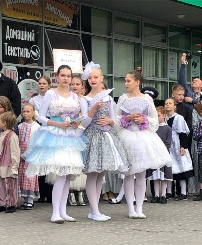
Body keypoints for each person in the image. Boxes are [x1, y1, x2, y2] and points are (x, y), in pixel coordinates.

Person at [23, 65, 86, 224]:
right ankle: (55, 212)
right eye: (63, 75)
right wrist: (58, 125)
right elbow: (41, 117)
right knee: (60, 175)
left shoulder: (74, 96)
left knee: (67, 177)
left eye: (69, 76)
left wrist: (73, 124)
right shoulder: (51, 93)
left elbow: (77, 117)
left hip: (70, 136)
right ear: (57, 77)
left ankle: (63, 211)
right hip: (55, 135)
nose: (66, 78)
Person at [116, 67, 171, 219]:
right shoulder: (123, 99)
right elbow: (116, 120)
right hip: (127, 136)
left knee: (140, 175)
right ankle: (130, 208)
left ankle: (139, 207)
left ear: (137, 82)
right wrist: (127, 118)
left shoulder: (147, 100)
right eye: (125, 81)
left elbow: (154, 120)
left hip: (142, 137)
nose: (126, 83)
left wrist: (143, 120)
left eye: (128, 81)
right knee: (128, 174)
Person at [80, 62, 130, 221]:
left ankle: (95, 210)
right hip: (92, 137)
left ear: (101, 79)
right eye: (90, 77)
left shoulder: (107, 98)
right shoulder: (85, 99)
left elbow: (114, 118)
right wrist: (93, 108)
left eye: (96, 77)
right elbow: (84, 122)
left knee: (100, 174)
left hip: (106, 136)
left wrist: (110, 120)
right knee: (92, 174)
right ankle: (93, 210)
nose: (93, 80)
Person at [164, 98, 193, 201]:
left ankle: (183, 192)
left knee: (181, 168)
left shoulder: (179, 118)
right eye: (166, 103)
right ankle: (169, 192)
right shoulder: (164, 118)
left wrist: (183, 146)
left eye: (170, 103)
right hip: (168, 145)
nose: (168, 105)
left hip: (177, 144)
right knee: (169, 168)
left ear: (174, 106)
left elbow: (183, 133)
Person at [29, 76, 52, 203]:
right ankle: (41, 193)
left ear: (49, 85)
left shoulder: (52, 97)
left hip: (51, 129)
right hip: (39, 130)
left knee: (50, 161)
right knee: (40, 161)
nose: (41, 85)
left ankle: (50, 193)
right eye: (40, 83)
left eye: (44, 83)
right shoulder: (34, 100)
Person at [68, 75, 87, 206]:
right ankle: (69, 192)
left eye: (77, 84)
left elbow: (86, 118)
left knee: (81, 162)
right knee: (70, 161)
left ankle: (80, 192)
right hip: (69, 133)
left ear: (82, 87)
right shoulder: (68, 99)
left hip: (82, 133)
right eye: (72, 84)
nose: (74, 86)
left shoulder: (84, 100)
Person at [148, 106, 172, 204]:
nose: (157, 117)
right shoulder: (153, 128)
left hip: (164, 155)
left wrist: (162, 151)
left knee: (164, 176)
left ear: (164, 115)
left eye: (158, 115)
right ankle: (156, 195)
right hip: (154, 155)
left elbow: (168, 143)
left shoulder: (167, 128)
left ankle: (163, 195)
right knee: (156, 176)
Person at [18, 104, 40, 210]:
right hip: (21, 156)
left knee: (30, 176)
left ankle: (30, 199)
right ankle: (25, 199)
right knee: (22, 176)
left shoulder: (37, 127)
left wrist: (27, 155)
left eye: (28, 111)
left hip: (31, 156)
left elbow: (36, 143)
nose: (26, 113)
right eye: (24, 111)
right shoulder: (20, 126)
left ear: (33, 113)